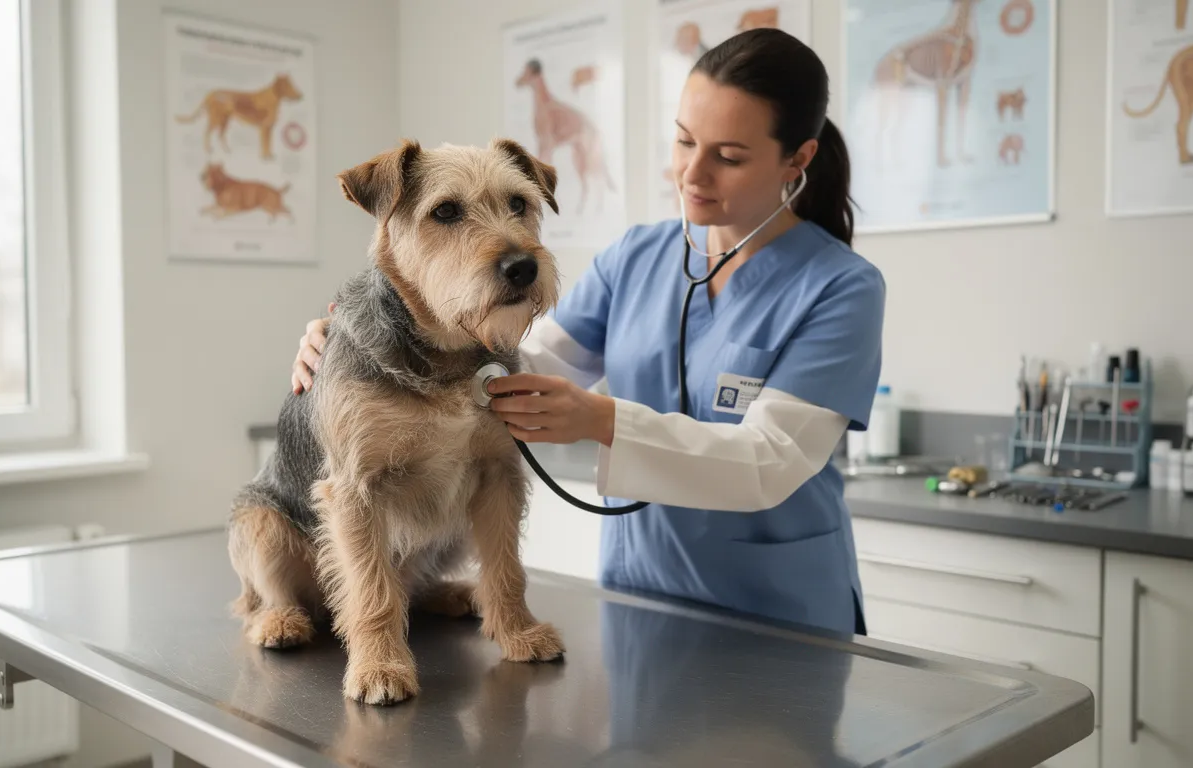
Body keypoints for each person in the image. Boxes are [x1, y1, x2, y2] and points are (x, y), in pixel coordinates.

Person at [290, 28, 885, 637]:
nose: (692, 174)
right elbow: (518, 372)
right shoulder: (637, 256)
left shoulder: (842, 287)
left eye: (728, 156)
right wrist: (359, 348)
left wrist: (601, 420)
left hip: (780, 609)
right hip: (640, 594)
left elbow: (771, 460)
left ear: (798, 159)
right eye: (683, 141)